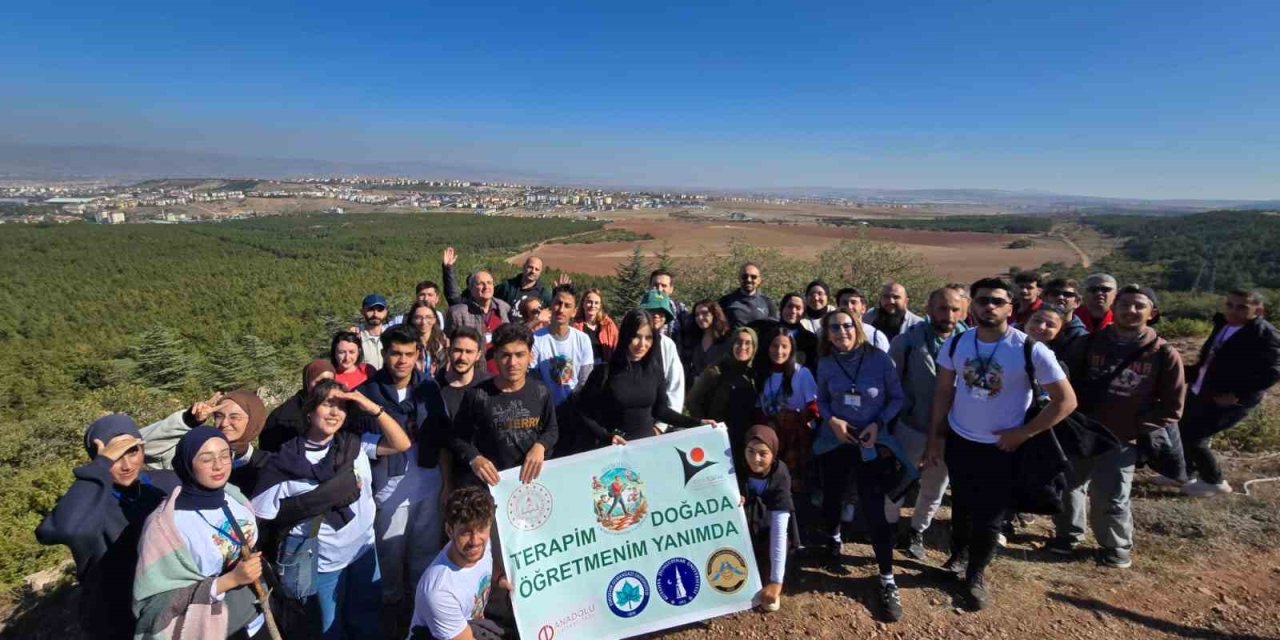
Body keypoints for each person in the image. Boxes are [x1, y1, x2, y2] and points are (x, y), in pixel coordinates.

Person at [924, 277, 1077, 611]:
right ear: (971, 306)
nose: (988, 307)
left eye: (996, 301)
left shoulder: (1029, 349)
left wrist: (1023, 434)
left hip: (1003, 448)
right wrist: (935, 439)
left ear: (1011, 306)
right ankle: (958, 558)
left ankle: (976, 574)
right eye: (981, 301)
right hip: (961, 439)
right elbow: (944, 392)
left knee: (990, 514)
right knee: (962, 505)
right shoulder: (957, 344)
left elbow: (1066, 402)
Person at [253, 379, 413, 640]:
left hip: (363, 550)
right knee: (328, 630)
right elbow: (260, 517)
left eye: (341, 406)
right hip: (320, 563)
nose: (335, 412)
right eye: (328, 404)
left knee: (367, 620)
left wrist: (371, 407)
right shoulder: (285, 464)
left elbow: (401, 444)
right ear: (309, 411)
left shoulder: (354, 445)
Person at [1045, 286, 1184, 568]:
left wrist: (1137, 427)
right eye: (1124, 304)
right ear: (1113, 308)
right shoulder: (1089, 343)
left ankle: (1115, 547)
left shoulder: (1163, 353)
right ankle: (1066, 535)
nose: (1130, 310)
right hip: (1082, 431)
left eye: (1138, 306)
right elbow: (1065, 382)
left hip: (1123, 438)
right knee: (1068, 484)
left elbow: (1173, 405)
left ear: (1152, 313)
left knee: (1111, 493)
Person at [36, 415, 180, 640]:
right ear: (97, 460)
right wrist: (100, 466)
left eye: (133, 451)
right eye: (114, 457)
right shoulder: (90, 503)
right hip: (116, 621)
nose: (126, 465)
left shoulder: (164, 483)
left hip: (169, 609)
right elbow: (62, 530)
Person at [814, 308, 908, 622]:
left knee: (873, 509)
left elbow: (897, 398)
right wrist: (832, 420)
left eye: (846, 326)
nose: (841, 332)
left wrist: (878, 424)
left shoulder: (880, 359)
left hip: (871, 441)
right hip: (838, 439)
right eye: (834, 328)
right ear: (827, 334)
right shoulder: (826, 363)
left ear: (857, 327)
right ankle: (834, 540)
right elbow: (823, 399)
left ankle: (886, 577)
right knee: (833, 496)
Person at [132, 427, 266, 639]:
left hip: (254, 613)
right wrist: (229, 581)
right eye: (206, 459)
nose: (218, 465)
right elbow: (152, 604)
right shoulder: (165, 526)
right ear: (187, 464)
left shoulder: (234, 497)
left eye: (225, 455)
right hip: (214, 629)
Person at [354, 325, 453, 609]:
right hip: (388, 490)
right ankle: (391, 613)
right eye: (395, 353)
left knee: (424, 555)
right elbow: (355, 443)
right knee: (389, 557)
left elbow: (442, 437)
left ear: (417, 354)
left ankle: (420, 611)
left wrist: (445, 483)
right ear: (384, 353)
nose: (402, 361)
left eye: (409, 354)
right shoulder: (366, 395)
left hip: (428, 484)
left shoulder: (429, 389)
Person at [889, 285, 968, 561]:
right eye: (943, 308)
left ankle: (916, 531)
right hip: (911, 426)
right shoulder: (907, 342)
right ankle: (889, 525)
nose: (948, 314)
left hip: (951, 429)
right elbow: (892, 384)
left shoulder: (971, 345)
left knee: (935, 485)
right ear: (929, 309)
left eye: (955, 309)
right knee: (898, 480)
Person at [1179, 289, 1280, 497]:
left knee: (1194, 436)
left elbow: (1273, 372)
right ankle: (1185, 473)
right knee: (1182, 429)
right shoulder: (1224, 325)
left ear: (1257, 309)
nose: (1234, 311)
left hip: (1229, 399)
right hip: (1203, 388)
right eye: (1230, 305)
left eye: (1242, 307)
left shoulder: (1264, 334)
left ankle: (1214, 482)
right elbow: (1210, 357)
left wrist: (1239, 394)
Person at [578, 309, 706, 448]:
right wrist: (606, 437)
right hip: (614, 456)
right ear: (626, 336)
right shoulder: (604, 372)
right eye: (636, 336)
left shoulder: (655, 371)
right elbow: (584, 413)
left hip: (647, 450)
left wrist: (698, 423)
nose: (642, 344)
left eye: (648, 338)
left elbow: (661, 411)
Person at [450, 322, 557, 486]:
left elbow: (551, 429)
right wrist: (475, 459)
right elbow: (459, 438)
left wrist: (541, 446)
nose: (512, 362)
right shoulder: (477, 395)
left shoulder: (541, 392)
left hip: (534, 482)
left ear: (530, 356)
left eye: (520, 355)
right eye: (505, 355)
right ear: (496, 357)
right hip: (493, 486)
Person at [408, 486, 511, 640]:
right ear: (449, 530)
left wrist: (498, 578)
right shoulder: (439, 592)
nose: (475, 541)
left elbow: (486, 562)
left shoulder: (483, 544)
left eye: (481, 528)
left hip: (470, 625)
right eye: (466, 532)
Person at [140, 389, 270, 496]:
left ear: (254, 421)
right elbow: (143, 446)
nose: (224, 423)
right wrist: (189, 420)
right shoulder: (194, 455)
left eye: (234, 417)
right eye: (219, 416)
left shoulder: (266, 465)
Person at [738, 425, 795, 614]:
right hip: (743, 530)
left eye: (763, 454)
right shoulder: (736, 469)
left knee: (767, 595)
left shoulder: (780, 475)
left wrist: (776, 581)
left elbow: (779, 530)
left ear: (774, 453)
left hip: (767, 531)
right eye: (750, 452)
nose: (755, 459)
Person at [755, 328, 819, 492]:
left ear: (792, 349)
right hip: (771, 436)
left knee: (794, 484)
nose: (779, 351)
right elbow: (759, 408)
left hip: (796, 437)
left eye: (784, 346)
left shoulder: (801, 373)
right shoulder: (762, 374)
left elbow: (814, 407)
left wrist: (791, 420)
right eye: (774, 346)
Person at [688, 326, 760, 458]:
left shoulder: (756, 373)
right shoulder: (716, 371)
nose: (742, 346)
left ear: (754, 347)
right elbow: (692, 400)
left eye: (748, 343)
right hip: (720, 438)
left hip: (747, 439)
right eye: (738, 342)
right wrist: (705, 426)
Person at [531, 284, 594, 408]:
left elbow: (585, 380)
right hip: (545, 409)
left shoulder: (583, 340)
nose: (561, 309)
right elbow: (534, 380)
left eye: (567, 306)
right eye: (558, 303)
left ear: (574, 312)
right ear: (551, 306)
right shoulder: (535, 339)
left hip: (574, 409)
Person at [638, 288, 688, 432]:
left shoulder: (668, 345)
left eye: (661, 313)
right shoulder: (631, 341)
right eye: (652, 311)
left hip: (662, 421)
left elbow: (675, 386)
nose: (657, 316)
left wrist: (661, 426)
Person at [260, 359, 337, 453]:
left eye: (330, 382)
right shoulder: (282, 418)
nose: (325, 387)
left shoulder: (338, 411)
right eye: (319, 382)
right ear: (307, 382)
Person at [445, 269, 512, 366]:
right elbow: (448, 345)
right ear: (471, 289)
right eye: (481, 283)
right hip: (472, 372)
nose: (486, 287)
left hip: (501, 372)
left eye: (489, 283)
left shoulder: (504, 308)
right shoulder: (458, 313)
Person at [436, 326, 493, 427]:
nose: (462, 357)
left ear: (478, 355)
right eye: (457, 350)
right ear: (449, 351)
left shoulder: (489, 386)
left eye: (469, 352)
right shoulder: (434, 388)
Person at [682, 298, 731, 381]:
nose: (700, 318)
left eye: (705, 313)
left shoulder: (727, 339)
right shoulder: (693, 339)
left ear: (714, 314)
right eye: (697, 315)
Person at [719, 261, 778, 329]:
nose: (749, 280)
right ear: (739, 278)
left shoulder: (768, 303)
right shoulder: (726, 301)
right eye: (745, 276)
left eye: (753, 277)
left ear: (759, 280)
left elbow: (774, 329)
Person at [775, 292, 821, 372]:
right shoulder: (768, 333)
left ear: (803, 313)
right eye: (789, 306)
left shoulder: (810, 339)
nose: (793, 311)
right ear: (782, 308)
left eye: (798, 308)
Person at [573, 287, 619, 364]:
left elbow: (617, 348)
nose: (593, 305)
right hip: (583, 371)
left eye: (596, 303)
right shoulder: (575, 327)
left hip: (604, 371)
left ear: (600, 306)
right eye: (589, 302)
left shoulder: (608, 325)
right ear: (583, 304)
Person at [835, 288, 890, 352]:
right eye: (844, 303)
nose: (849, 307)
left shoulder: (876, 337)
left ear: (863, 308)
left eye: (853, 302)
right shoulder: (831, 335)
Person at [406, 300, 450, 376]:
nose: (423, 322)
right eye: (418, 317)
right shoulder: (406, 344)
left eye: (428, 317)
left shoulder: (443, 343)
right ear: (412, 320)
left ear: (434, 319)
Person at [649, 267, 692, 343]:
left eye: (664, 285)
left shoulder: (680, 309)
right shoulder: (642, 310)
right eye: (655, 285)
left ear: (671, 289)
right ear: (649, 287)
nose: (659, 289)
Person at [1043, 278, 1088, 344]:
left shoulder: (1082, 338)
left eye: (1067, 294)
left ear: (1077, 302)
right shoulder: (1032, 329)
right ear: (1045, 299)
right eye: (1055, 293)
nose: (1060, 297)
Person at [358, 294, 391, 370]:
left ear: (386, 312)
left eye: (380, 309)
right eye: (370, 309)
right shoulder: (356, 337)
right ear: (362, 311)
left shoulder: (391, 336)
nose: (375, 314)